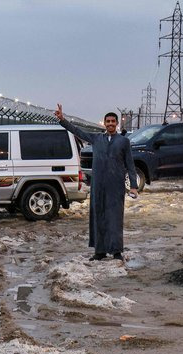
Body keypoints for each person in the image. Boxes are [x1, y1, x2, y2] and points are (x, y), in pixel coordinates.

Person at [54, 104, 138, 261]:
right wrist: (62, 120)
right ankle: (99, 251)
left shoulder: (123, 142)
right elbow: (77, 131)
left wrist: (133, 186)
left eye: (113, 121)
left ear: (117, 124)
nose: (111, 124)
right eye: (108, 121)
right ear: (104, 123)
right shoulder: (96, 138)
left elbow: (130, 165)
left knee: (114, 217)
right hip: (98, 184)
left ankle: (116, 251)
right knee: (98, 216)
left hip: (115, 185)